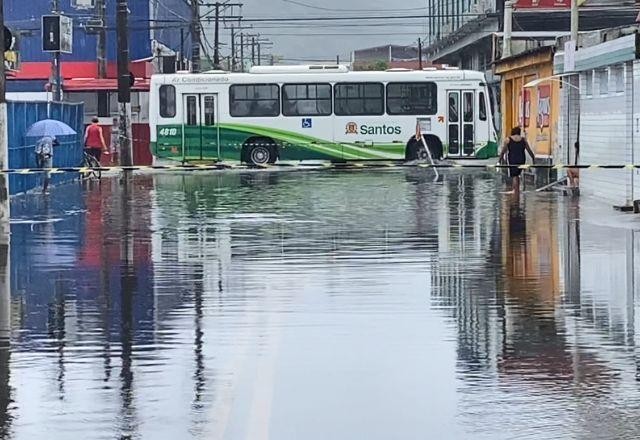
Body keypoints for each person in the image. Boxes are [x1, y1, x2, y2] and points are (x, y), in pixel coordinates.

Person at [499, 127, 535, 194]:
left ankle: (515, 191)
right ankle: (517, 190)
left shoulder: (508, 139)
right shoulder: (523, 140)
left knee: (514, 176)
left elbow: (503, 151)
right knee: (517, 174)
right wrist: (533, 158)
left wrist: (500, 159)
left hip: (512, 159)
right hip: (521, 159)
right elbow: (529, 150)